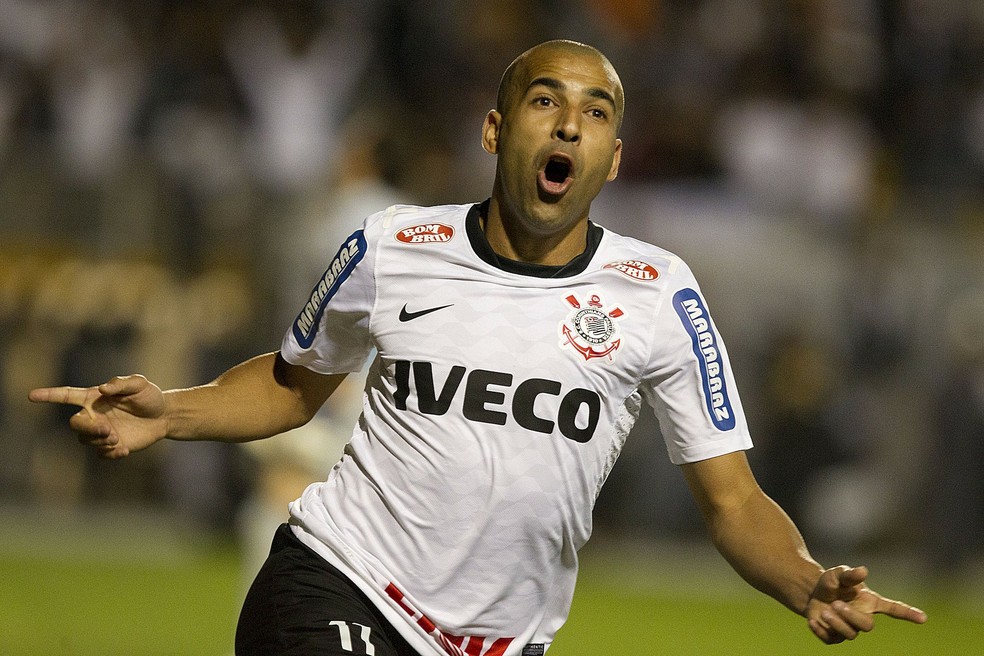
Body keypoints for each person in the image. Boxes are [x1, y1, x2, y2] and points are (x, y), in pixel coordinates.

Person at [29, 40, 926, 656]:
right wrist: (171, 413)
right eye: (545, 101)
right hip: (339, 582)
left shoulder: (660, 294)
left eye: (596, 112)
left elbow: (732, 499)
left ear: (614, 158)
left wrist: (803, 581)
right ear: (496, 131)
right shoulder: (392, 246)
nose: (569, 124)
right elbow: (291, 384)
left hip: (500, 641)